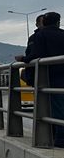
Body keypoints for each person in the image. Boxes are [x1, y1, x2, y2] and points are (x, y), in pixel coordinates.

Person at [24, 11, 64, 148]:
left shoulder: (39, 36)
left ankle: (59, 137)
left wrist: (23, 59)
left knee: (54, 107)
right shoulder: (62, 34)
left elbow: (35, 54)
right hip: (62, 74)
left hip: (48, 76)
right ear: (58, 22)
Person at [19, 14, 45, 86]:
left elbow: (33, 54)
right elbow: (30, 53)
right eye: (43, 22)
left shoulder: (35, 37)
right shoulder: (33, 38)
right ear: (37, 24)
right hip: (37, 73)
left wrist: (23, 59)